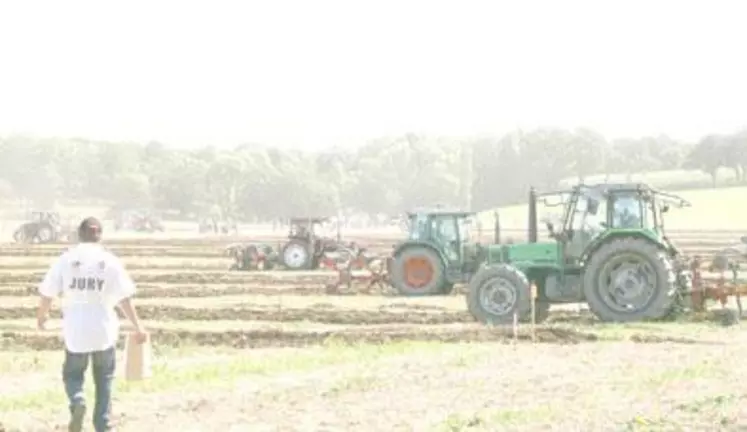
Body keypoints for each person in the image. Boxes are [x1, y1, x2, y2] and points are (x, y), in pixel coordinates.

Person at [36, 217, 147, 432]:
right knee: (104, 378)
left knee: (73, 374)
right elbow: (124, 298)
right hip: (104, 329)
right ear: (100, 235)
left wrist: (41, 317)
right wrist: (137, 326)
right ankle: (103, 424)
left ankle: (77, 399)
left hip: (76, 329)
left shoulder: (66, 259)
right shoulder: (110, 261)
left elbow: (47, 293)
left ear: (79, 234)